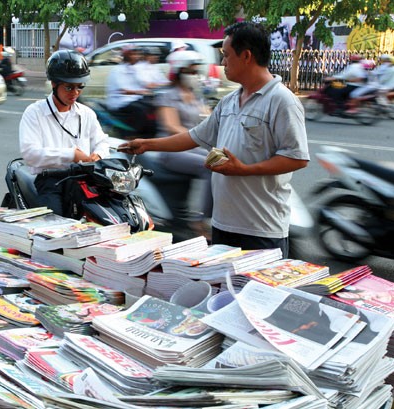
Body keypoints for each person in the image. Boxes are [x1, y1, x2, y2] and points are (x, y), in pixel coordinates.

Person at [119, 21, 310, 257]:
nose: (222, 63)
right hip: (222, 225)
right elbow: (194, 137)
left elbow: (296, 158)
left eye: (227, 56)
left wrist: (244, 169)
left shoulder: (282, 101)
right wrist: (147, 144)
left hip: (260, 229)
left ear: (247, 56)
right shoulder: (229, 101)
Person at [20, 50, 109, 215]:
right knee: (56, 228)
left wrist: (98, 155)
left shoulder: (86, 113)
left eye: (79, 87)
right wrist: (71, 154)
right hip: (51, 181)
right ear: (54, 84)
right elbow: (30, 153)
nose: (75, 93)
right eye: (69, 87)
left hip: (84, 179)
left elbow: (102, 142)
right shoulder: (34, 112)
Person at [154, 50, 213, 239]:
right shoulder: (168, 95)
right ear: (179, 72)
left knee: (221, 160)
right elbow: (171, 126)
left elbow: (209, 119)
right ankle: (200, 220)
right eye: (190, 71)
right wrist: (197, 138)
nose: (194, 76)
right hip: (172, 149)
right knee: (210, 166)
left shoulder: (196, 96)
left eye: (196, 72)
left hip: (193, 145)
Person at [106, 45, 156, 134]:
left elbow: (143, 83)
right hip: (120, 101)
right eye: (133, 54)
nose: (136, 57)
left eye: (137, 54)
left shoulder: (134, 69)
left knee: (153, 106)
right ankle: (132, 135)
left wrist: (151, 87)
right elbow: (123, 90)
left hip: (134, 99)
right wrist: (141, 92)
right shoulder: (117, 70)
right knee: (141, 111)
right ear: (126, 56)